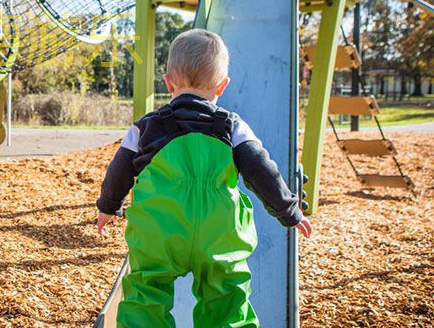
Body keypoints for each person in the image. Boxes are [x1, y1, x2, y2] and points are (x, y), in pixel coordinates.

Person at [96, 28, 311, 328]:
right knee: (227, 297)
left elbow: (119, 170)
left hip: (160, 231)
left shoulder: (145, 128)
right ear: (222, 86)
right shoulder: (233, 127)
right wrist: (288, 210)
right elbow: (261, 168)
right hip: (218, 232)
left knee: (147, 290)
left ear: (168, 82)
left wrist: (108, 206)